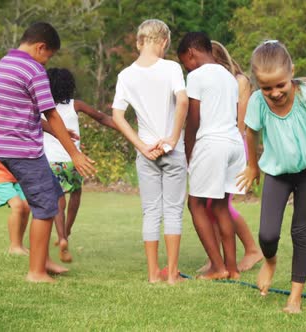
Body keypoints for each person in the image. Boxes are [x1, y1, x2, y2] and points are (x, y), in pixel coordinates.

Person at [236, 40, 306, 314]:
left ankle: (294, 298)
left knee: (300, 231)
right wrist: (253, 167)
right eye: (266, 88)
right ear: (258, 85)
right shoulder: (257, 103)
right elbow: (250, 133)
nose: (274, 93)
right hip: (277, 173)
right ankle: (270, 261)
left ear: (291, 73)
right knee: (268, 233)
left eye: (280, 85)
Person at [0, 22, 96, 283]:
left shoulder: (5, 64)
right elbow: (52, 113)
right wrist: (75, 154)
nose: (47, 61)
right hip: (23, 149)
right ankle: (36, 271)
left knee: (54, 195)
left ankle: (44, 260)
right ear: (40, 47)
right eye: (48, 55)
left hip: (7, 145)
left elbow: (22, 113)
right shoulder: (33, 69)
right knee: (45, 204)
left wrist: (51, 131)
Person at [112, 19, 188, 285]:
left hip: (146, 153)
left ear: (138, 42)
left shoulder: (125, 75)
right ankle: (173, 274)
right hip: (171, 150)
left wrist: (141, 145)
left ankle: (154, 274)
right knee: (173, 211)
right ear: (164, 41)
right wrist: (172, 138)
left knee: (151, 211)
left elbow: (118, 116)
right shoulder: (171, 68)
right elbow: (183, 100)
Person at [177, 32, 245, 280]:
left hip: (212, 143)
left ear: (191, 53)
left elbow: (193, 118)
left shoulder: (196, 76)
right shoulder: (229, 77)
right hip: (234, 144)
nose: (186, 66)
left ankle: (218, 267)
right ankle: (233, 269)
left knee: (195, 203)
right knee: (220, 206)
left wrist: (188, 150)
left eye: (184, 61)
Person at [197, 41, 263, 274]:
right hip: (214, 145)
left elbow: (241, 122)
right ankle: (216, 259)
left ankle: (252, 250)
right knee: (207, 205)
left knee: (220, 205)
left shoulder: (239, 81)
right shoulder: (213, 83)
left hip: (234, 144)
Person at [44, 68, 117, 263]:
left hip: (50, 161)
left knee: (58, 200)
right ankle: (67, 231)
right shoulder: (76, 105)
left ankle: (61, 237)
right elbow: (102, 118)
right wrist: (124, 128)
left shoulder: (42, 107)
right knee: (75, 194)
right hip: (74, 160)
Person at [0, 117, 30, 256]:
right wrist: (6, 153)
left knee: (26, 206)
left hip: (16, 174)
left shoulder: (17, 123)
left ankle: (19, 244)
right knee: (18, 206)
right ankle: (14, 246)